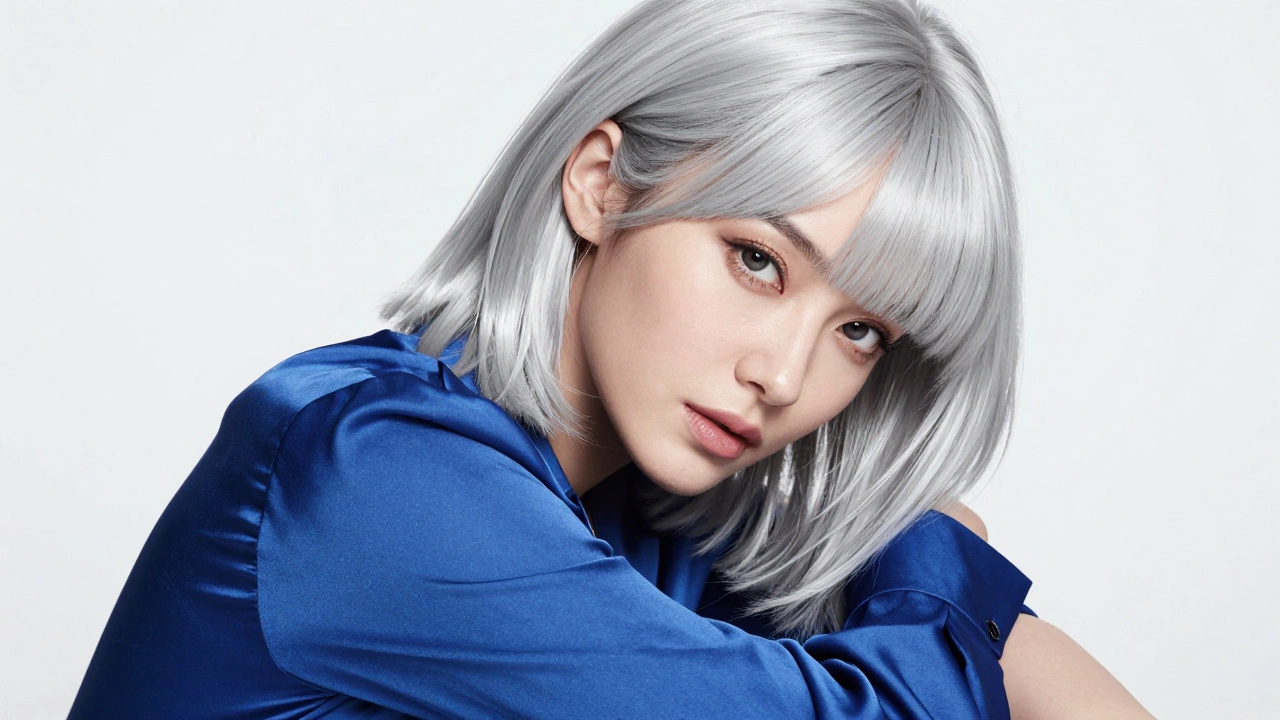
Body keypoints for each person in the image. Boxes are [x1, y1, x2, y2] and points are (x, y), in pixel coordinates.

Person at [70, 0, 1151, 717]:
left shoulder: (665, 523)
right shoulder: (368, 474)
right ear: (601, 182)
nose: (781, 373)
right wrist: (940, 561)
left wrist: (916, 555)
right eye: (757, 261)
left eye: (859, 330)